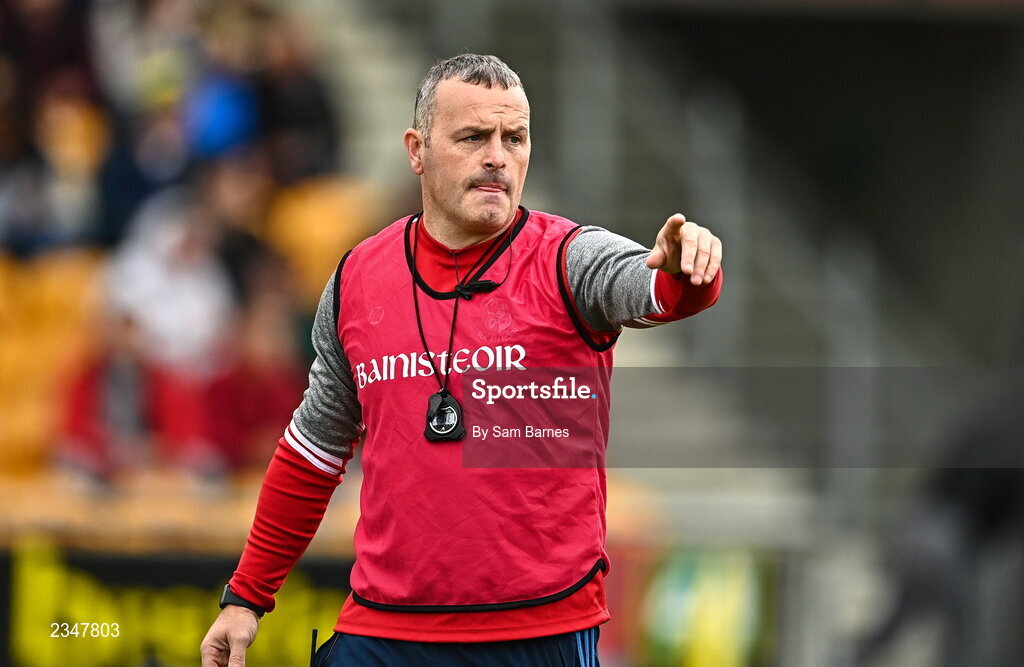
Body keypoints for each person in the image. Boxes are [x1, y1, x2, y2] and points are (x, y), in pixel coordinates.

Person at [200, 53, 723, 667]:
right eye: (474, 137)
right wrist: (246, 598)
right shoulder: (356, 281)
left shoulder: (569, 259)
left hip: (536, 636)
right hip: (383, 633)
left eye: (515, 137)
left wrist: (687, 269)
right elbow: (312, 453)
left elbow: (651, 288)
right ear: (416, 150)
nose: (497, 156)